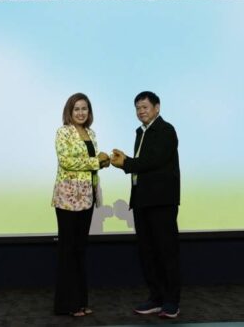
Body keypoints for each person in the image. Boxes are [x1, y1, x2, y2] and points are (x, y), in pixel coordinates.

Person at [111, 91, 181, 319]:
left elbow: (154, 160)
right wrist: (127, 162)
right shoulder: (140, 132)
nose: (141, 111)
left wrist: (126, 163)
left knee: (166, 252)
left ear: (157, 108)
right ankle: (156, 298)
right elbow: (143, 164)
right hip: (142, 200)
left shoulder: (166, 130)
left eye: (145, 107)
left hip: (161, 201)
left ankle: (172, 301)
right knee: (148, 253)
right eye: (137, 108)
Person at [52, 92, 110, 317]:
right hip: (68, 199)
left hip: (87, 197)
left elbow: (90, 165)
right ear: (69, 111)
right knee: (68, 251)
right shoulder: (63, 132)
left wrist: (103, 163)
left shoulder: (91, 133)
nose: (81, 113)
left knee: (80, 250)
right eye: (76, 109)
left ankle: (80, 301)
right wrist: (97, 161)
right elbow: (66, 161)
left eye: (84, 108)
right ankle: (66, 305)